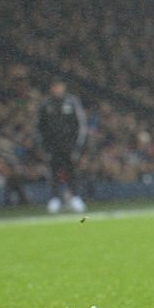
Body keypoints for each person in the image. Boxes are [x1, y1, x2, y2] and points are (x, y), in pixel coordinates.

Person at [37, 79, 88, 213]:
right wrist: (44, 146)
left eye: (59, 86)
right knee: (54, 173)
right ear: (51, 88)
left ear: (63, 87)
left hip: (69, 146)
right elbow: (40, 128)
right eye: (55, 86)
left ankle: (75, 198)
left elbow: (80, 125)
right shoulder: (45, 105)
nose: (57, 89)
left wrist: (77, 146)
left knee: (72, 172)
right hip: (53, 147)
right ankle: (55, 199)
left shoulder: (72, 102)